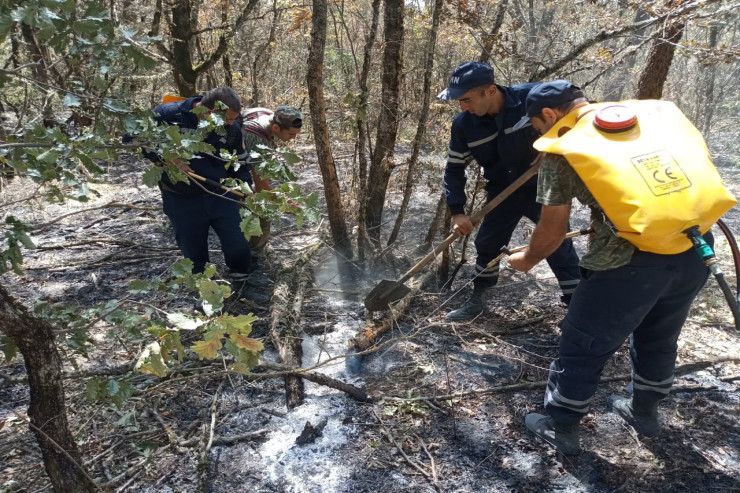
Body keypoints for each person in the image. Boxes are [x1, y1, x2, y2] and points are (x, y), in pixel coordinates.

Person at [507, 80, 714, 455]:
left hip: (627, 262)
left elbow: (551, 231)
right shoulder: (647, 123)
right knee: (659, 333)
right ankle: (644, 411)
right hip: (695, 249)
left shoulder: (564, 151)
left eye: (536, 125)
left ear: (551, 115)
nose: (537, 133)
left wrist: (528, 258)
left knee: (583, 340)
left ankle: (561, 425)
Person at [438, 62, 581, 321]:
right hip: (502, 191)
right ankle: (479, 300)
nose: (462, 106)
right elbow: (454, 169)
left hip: (543, 188)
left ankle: (578, 309)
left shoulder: (532, 99)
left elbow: (577, 108)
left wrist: (553, 148)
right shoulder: (464, 125)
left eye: (467, 99)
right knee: (487, 244)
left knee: (557, 244)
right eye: (459, 101)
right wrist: (458, 211)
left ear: (490, 91)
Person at [141, 87, 271, 300]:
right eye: (227, 118)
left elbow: (239, 163)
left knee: (236, 240)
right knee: (193, 249)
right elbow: (134, 137)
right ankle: (202, 292)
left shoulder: (232, 128)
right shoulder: (168, 114)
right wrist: (164, 157)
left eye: (234, 119)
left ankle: (243, 279)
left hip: (220, 194)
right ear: (209, 111)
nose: (231, 123)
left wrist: (246, 190)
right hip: (180, 197)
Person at [240, 106, 303, 253]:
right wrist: (288, 203)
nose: (293, 138)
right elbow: (262, 187)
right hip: (223, 172)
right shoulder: (256, 137)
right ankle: (252, 253)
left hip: (239, 163)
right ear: (275, 127)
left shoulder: (269, 115)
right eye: (291, 134)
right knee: (260, 211)